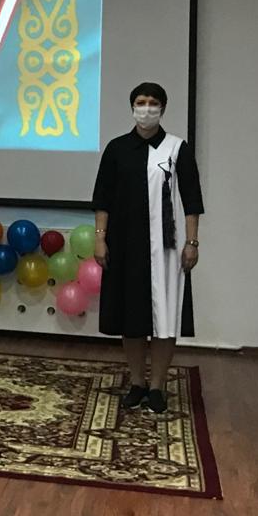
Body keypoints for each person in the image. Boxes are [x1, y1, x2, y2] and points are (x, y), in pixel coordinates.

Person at [92, 82, 203, 414]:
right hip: (124, 246)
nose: (147, 108)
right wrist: (100, 237)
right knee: (131, 317)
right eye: (141, 102)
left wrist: (192, 242)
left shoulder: (177, 148)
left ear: (162, 109)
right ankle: (138, 382)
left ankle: (157, 386)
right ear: (132, 107)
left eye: (153, 103)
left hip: (166, 249)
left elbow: (192, 200)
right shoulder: (116, 149)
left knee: (165, 317)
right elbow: (103, 198)